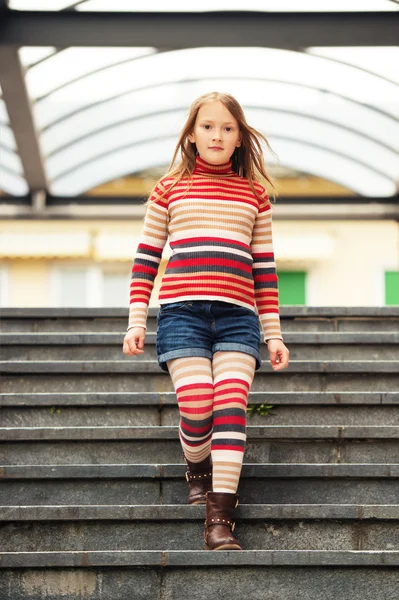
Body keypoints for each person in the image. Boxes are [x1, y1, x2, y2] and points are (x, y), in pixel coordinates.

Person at [123, 91, 290, 551]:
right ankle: (196, 464)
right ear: (192, 135)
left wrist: (273, 332)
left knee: (231, 407)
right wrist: (138, 319)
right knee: (198, 409)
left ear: (240, 138)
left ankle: (220, 520)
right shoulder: (169, 188)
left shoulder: (256, 195)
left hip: (239, 320)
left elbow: (264, 270)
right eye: (208, 126)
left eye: (228, 128)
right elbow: (146, 259)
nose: (217, 135)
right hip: (182, 316)